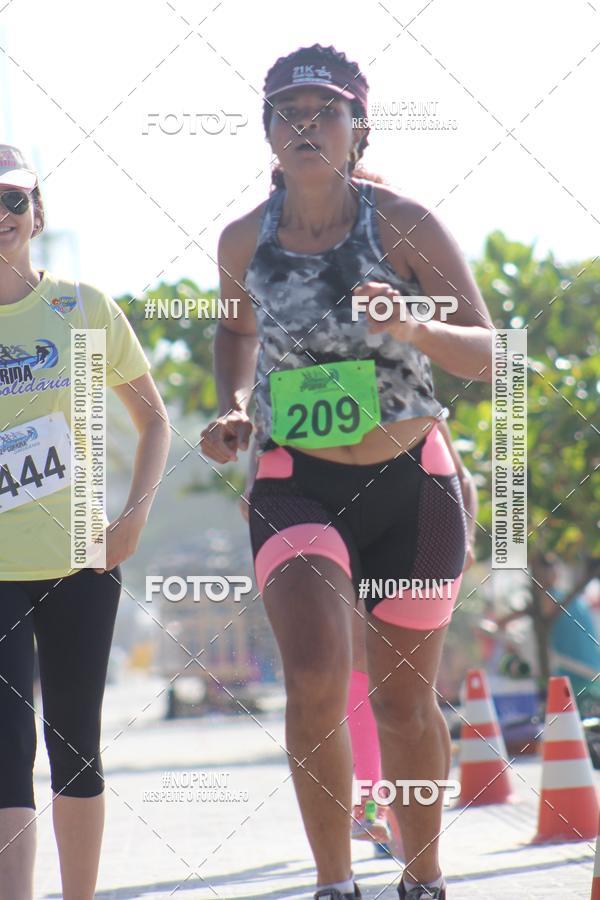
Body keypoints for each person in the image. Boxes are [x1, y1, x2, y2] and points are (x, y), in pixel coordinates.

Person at [201, 44, 493, 900]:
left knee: (406, 703)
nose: (305, 126)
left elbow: (488, 355)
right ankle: (334, 884)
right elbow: (234, 330)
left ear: (357, 129)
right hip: (296, 479)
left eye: (323, 110)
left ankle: (423, 878)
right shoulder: (242, 238)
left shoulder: (403, 224)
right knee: (318, 670)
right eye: (287, 113)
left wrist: (417, 328)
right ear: (267, 134)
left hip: (414, 482)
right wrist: (237, 403)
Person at [0, 145, 171, 900]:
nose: (0, 216)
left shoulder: (84, 307)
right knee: (4, 757)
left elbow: (155, 419)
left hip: (80, 560)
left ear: (38, 210)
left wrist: (132, 519)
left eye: (12, 199)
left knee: (75, 746)